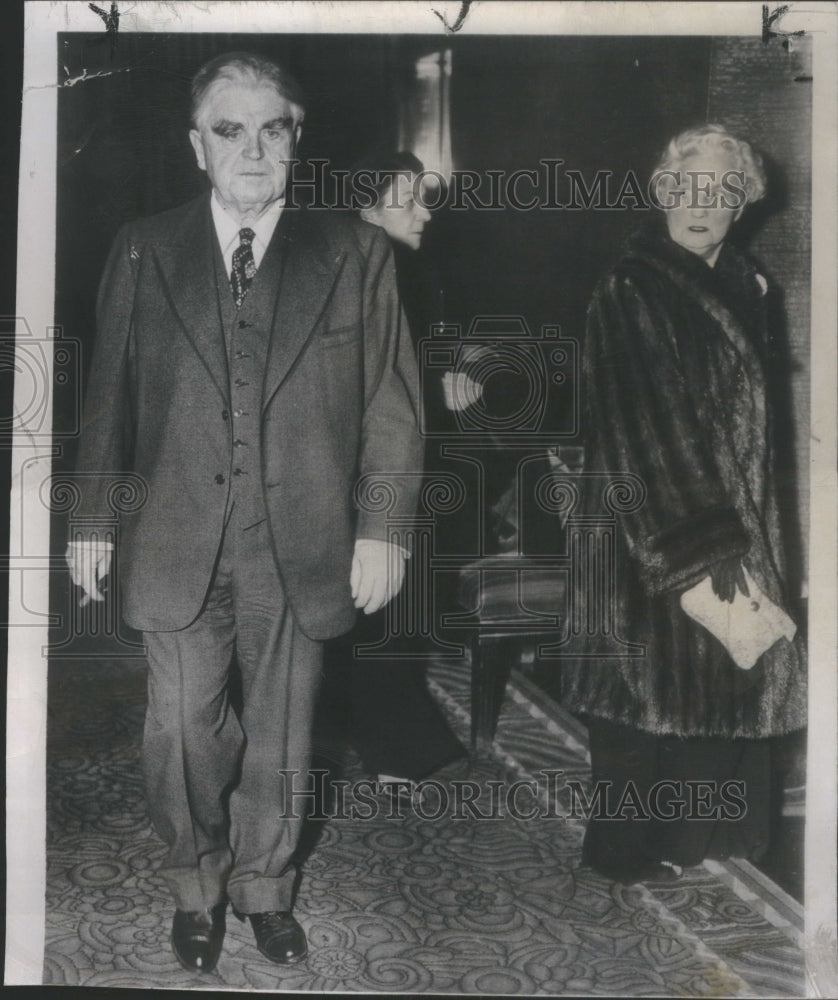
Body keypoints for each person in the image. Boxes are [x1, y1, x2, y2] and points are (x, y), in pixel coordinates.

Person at [65, 52, 423, 972]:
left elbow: (390, 407)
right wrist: (91, 519)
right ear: (198, 146)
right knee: (181, 730)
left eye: (273, 129)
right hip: (175, 535)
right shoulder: (144, 247)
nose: (253, 150)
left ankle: (266, 889)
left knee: (285, 735)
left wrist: (383, 529)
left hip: (303, 542)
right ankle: (197, 885)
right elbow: (108, 398)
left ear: (297, 140)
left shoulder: (356, 255)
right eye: (230, 131)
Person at [560, 124, 807, 884]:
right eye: (687, 187)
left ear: (743, 202)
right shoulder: (632, 287)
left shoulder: (746, 284)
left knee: (709, 686)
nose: (702, 205)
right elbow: (645, 425)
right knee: (641, 696)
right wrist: (706, 548)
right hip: (649, 522)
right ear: (664, 192)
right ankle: (620, 850)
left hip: (721, 519)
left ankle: (690, 837)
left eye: (722, 190)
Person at [319, 151, 465, 791]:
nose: (424, 213)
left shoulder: (414, 268)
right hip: (349, 468)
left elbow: (418, 359)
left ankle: (385, 739)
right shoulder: (344, 270)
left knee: (389, 606)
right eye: (407, 201)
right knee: (370, 607)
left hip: (406, 463)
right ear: (366, 211)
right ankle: (384, 744)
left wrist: (451, 376)